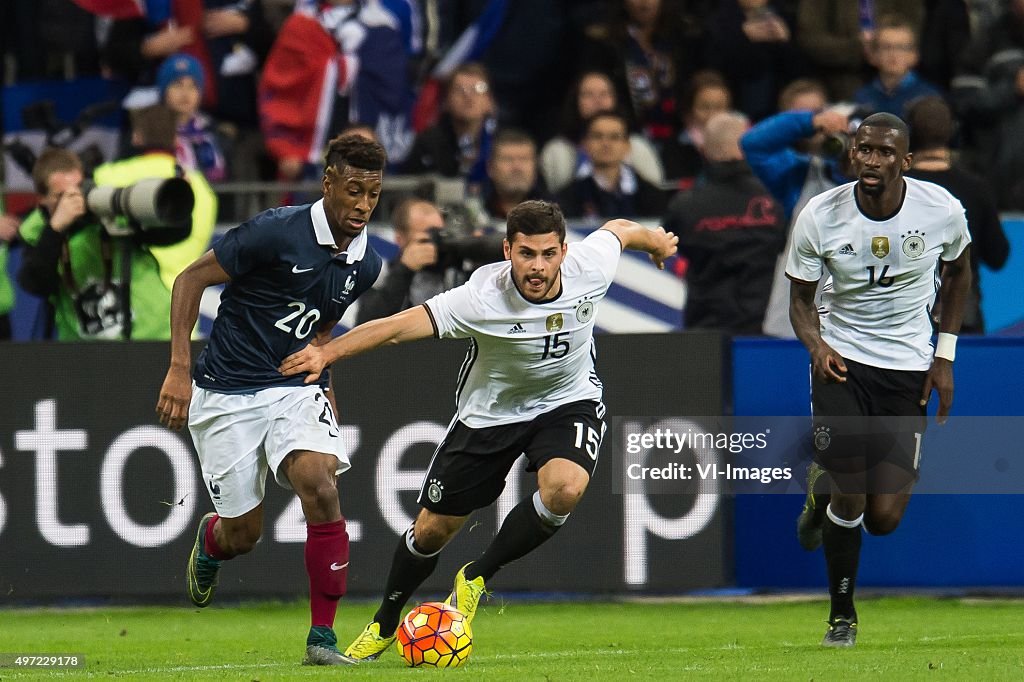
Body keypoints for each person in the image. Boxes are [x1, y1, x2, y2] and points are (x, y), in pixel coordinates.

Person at [276, 200, 678, 662]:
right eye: (527, 253)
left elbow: (620, 229)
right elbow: (394, 328)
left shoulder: (591, 266)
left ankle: (477, 576)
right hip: (490, 415)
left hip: (569, 401)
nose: (538, 266)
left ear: (565, 251)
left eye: (548, 254)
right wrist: (328, 354)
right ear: (508, 250)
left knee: (565, 489)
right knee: (430, 532)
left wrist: (657, 242)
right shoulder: (481, 297)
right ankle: (384, 624)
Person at [155, 135, 387, 666]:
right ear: (328, 183)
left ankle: (322, 640)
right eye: (353, 190)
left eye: (373, 195)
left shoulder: (365, 263)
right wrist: (178, 367)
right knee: (244, 536)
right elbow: (190, 280)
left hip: (291, 388)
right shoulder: (274, 230)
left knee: (319, 483)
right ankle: (213, 541)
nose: (363, 205)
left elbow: (321, 332)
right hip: (227, 391)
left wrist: (324, 380)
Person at [786, 113, 971, 647]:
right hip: (842, 362)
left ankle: (817, 493)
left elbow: (960, 271)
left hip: (907, 368)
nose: (871, 160)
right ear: (852, 155)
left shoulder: (940, 210)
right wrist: (818, 345)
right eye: (862, 150)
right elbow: (799, 298)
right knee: (854, 492)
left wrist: (945, 356)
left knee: (884, 517)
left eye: (884, 152)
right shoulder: (820, 216)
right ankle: (841, 617)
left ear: (905, 161)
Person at [17, 146, 188, 340]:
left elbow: (173, 235)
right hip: (88, 352)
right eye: (60, 196)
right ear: (42, 200)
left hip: (152, 335)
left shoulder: (107, 204)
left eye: (79, 187)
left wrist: (174, 209)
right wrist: (55, 229)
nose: (74, 199)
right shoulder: (37, 231)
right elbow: (37, 284)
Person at [662, 111, 785, 333]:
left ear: (705, 149)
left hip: (706, 329)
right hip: (764, 327)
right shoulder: (775, 198)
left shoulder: (685, 205)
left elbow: (665, 252)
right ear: (750, 144)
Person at [904, 96, 1009, 334]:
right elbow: (998, 256)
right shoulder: (976, 188)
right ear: (953, 131)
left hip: (902, 317)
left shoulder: (895, 188)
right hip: (961, 316)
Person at [538, 71, 664, 194]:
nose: (597, 100)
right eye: (588, 94)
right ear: (575, 101)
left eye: (604, 94)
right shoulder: (557, 150)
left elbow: (656, 192)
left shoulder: (637, 146)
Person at [557, 110, 667, 220]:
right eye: (597, 136)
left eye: (614, 137)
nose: (606, 144)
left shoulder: (652, 196)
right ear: (585, 143)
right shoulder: (566, 198)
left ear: (627, 145)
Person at [158, 52, 228, 182]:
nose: (185, 94)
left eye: (193, 86)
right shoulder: (149, 134)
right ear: (164, 92)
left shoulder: (215, 133)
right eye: (177, 85)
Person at [853, 15, 940, 117]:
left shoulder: (929, 97)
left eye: (901, 47)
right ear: (873, 55)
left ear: (914, 55)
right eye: (886, 47)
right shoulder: (862, 97)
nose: (893, 54)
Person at [482, 129, 549, 221]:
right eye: (508, 159)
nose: (517, 167)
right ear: (490, 168)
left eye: (524, 159)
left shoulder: (555, 211)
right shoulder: (474, 210)